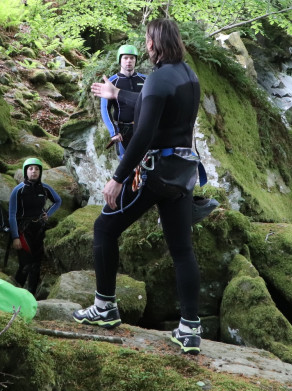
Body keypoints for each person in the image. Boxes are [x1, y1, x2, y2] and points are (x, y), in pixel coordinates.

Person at [73, 18, 203, 354]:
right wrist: (118, 94)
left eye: (147, 40)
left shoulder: (159, 78)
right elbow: (156, 104)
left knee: (104, 228)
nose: (145, 45)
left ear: (155, 43)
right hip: (183, 171)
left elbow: (144, 132)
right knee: (182, 250)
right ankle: (190, 328)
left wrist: (117, 178)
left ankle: (105, 307)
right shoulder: (188, 75)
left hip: (156, 173)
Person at [8, 158, 61, 295]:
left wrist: (48, 214)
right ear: (26, 171)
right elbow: (12, 214)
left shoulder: (45, 188)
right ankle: (15, 293)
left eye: (37, 169)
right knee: (25, 265)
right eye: (30, 169)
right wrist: (15, 237)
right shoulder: (18, 190)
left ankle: (32, 295)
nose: (34, 171)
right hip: (23, 231)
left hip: (39, 229)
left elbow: (58, 201)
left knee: (36, 265)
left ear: (40, 172)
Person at [100, 45, 145, 156]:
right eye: (125, 58)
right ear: (120, 60)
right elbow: (105, 108)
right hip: (123, 131)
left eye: (132, 58)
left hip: (143, 128)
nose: (129, 61)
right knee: (126, 166)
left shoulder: (145, 80)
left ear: (136, 60)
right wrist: (113, 132)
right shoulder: (112, 82)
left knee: (146, 165)